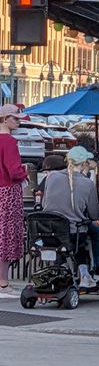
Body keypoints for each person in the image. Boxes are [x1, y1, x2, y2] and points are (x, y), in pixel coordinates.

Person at [41, 146, 99, 288]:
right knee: (96, 230)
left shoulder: (51, 177)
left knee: (62, 240)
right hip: (74, 232)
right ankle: (98, 268)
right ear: (84, 163)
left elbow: (44, 203)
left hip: (48, 230)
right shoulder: (87, 183)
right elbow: (94, 214)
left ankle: (63, 270)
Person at [0, 105, 29, 298]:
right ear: (4, 119)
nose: (18, 122)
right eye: (15, 118)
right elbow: (14, 171)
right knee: (7, 237)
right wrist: (25, 171)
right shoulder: (9, 141)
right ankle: (3, 282)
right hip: (8, 192)